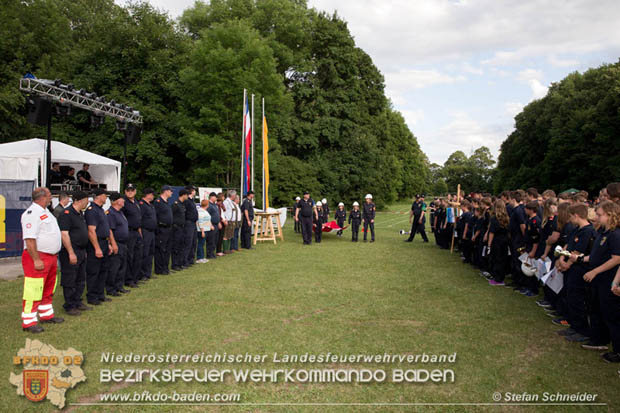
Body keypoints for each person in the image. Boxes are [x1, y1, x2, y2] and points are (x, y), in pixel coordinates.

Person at [574, 201, 620, 361]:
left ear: (610, 215)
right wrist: (579, 258)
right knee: (597, 310)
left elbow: (616, 259)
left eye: (600, 215)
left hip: (607, 279)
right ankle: (599, 339)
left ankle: (617, 351)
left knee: (611, 315)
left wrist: (595, 271)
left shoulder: (615, 234)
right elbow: (595, 256)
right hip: (598, 280)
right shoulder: (602, 232)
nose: (597, 218)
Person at [20, 187, 63, 332]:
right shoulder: (32, 214)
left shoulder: (46, 212)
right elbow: (30, 239)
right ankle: (29, 321)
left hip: (50, 257)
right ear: (42, 197)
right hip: (38, 256)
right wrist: (36, 259)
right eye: (50, 195)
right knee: (34, 289)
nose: (51, 198)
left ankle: (46, 314)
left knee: (48, 287)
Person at [554, 204, 597, 337]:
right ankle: (573, 325)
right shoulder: (576, 229)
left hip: (579, 269)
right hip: (570, 267)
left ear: (576, 215)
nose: (570, 219)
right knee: (570, 296)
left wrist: (567, 264)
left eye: (571, 216)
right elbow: (568, 245)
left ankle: (581, 330)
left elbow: (578, 251)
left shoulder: (587, 231)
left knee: (577, 299)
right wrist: (561, 258)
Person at [58, 190, 92, 316]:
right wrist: (71, 252)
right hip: (71, 251)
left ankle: (77, 301)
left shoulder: (80, 214)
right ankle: (69, 305)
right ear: (79, 200)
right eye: (86, 200)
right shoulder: (66, 214)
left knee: (80, 278)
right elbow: (64, 234)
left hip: (81, 251)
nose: (87, 203)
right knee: (70, 279)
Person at [85, 188, 114, 306]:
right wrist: (97, 248)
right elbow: (91, 231)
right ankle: (92, 296)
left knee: (103, 270)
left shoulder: (101, 210)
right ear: (98, 196)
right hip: (96, 243)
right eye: (104, 195)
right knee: (94, 271)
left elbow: (104, 229)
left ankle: (100, 294)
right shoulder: (92, 210)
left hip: (104, 242)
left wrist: (108, 244)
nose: (106, 197)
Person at [106, 192, 129, 296]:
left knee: (122, 266)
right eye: (122, 199)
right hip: (117, 243)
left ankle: (119, 286)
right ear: (116, 201)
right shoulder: (110, 213)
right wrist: (113, 244)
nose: (124, 201)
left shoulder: (120, 212)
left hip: (124, 243)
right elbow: (110, 230)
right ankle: (111, 288)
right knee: (114, 266)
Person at [122, 183, 143, 288]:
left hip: (137, 231)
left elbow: (138, 218)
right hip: (129, 232)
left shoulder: (136, 202)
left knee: (137, 256)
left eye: (132, 190)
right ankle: (128, 279)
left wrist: (140, 232)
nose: (130, 192)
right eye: (128, 190)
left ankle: (135, 277)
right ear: (125, 192)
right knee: (129, 256)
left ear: (135, 191)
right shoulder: (124, 203)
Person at [487, 200, 511, 286]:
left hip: (497, 241)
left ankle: (498, 279)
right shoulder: (507, 218)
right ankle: (499, 277)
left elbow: (492, 233)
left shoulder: (494, 219)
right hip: (505, 241)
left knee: (497, 259)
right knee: (502, 259)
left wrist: (489, 244)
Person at [153, 185, 173, 275]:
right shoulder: (158, 202)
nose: (172, 193)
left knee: (167, 249)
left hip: (168, 228)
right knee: (160, 249)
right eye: (170, 191)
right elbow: (155, 216)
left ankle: (165, 267)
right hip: (162, 228)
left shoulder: (166, 202)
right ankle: (159, 269)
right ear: (165, 191)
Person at [138, 188, 157, 280]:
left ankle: (148, 273)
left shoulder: (151, 205)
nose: (153, 196)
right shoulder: (142, 205)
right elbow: (139, 219)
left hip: (152, 232)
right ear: (148, 195)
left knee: (150, 252)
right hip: (145, 231)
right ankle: (142, 274)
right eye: (152, 194)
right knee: (144, 253)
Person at [171, 189, 188, 271]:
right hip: (176, 228)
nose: (187, 196)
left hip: (182, 227)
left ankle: (180, 263)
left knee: (182, 245)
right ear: (183, 195)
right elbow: (171, 215)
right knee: (176, 246)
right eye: (187, 195)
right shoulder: (175, 204)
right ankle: (175, 264)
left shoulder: (182, 204)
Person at [183, 186, 198, 266]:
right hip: (188, 223)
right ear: (191, 191)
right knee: (188, 242)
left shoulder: (192, 200)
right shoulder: (187, 201)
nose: (195, 191)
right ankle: (185, 261)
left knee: (193, 242)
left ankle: (191, 259)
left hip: (193, 223)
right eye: (194, 190)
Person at [207, 192, 221, 258]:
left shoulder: (215, 205)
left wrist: (218, 222)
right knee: (211, 240)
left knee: (215, 240)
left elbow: (217, 215)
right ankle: (209, 254)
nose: (216, 198)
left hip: (216, 224)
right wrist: (210, 225)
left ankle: (212, 253)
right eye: (215, 197)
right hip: (211, 225)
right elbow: (207, 216)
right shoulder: (209, 205)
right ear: (211, 197)